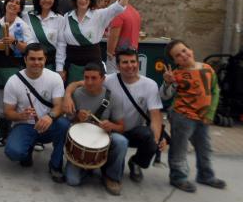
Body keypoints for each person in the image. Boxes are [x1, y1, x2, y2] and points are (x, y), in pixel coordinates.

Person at [64, 48, 166, 183]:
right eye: (125, 62)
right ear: (118, 66)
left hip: (129, 130)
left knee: (150, 140)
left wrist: (158, 138)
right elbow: (81, 83)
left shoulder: (150, 84)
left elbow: (155, 115)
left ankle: (130, 166)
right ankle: (95, 166)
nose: (130, 65)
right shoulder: (108, 80)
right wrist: (67, 96)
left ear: (137, 63)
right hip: (108, 130)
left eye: (133, 62)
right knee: (73, 181)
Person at [161, 39, 226, 193]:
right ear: (174, 61)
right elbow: (165, 96)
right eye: (177, 55)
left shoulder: (207, 68)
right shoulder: (177, 75)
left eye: (184, 50)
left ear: (190, 49)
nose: (183, 55)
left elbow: (215, 90)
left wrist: (211, 113)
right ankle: (178, 176)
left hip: (203, 117)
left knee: (205, 147)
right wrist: (167, 83)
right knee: (179, 148)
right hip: (182, 117)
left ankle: (206, 174)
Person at [3, 43, 70, 182]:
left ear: (45, 60)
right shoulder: (13, 81)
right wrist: (20, 115)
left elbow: (59, 106)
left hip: (48, 124)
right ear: (25, 60)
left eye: (40, 59)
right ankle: (27, 150)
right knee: (13, 152)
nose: (36, 63)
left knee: (64, 125)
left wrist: (49, 116)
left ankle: (55, 165)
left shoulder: (54, 78)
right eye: (32, 59)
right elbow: (8, 112)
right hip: (24, 125)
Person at [56, 0, 134, 83]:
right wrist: (59, 69)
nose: (83, 0)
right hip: (72, 68)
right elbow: (61, 45)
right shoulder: (66, 17)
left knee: (94, 98)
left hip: (94, 68)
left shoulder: (99, 15)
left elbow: (121, 5)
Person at [65, 63, 128, 195]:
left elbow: (121, 127)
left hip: (103, 138)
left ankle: (112, 177)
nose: (89, 82)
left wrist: (111, 126)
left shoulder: (113, 97)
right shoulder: (76, 94)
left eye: (94, 78)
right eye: (86, 77)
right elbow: (69, 121)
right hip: (81, 141)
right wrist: (77, 117)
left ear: (103, 79)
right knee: (72, 181)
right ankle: (90, 166)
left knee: (121, 141)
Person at [0, 0, 34, 147]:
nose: (13, 5)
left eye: (18, 3)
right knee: (0, 103)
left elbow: (29, 48)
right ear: (6, 3)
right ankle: (3, 135)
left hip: (14, 67)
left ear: (20, 8)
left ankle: (17, 135)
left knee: (14, 102)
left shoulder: (22, 25)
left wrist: (14, 42)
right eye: (11, 2)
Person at [105, 0, 141, 74]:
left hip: (119, 55)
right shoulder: (135, 12)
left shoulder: (118, 12)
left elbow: (114, 36)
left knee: (113, 83)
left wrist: (110, 53)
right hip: (133, 54)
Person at [27, 0, 63, 71]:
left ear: (54, 0)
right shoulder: (27, 17)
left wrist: (60, 69)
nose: (47, 0)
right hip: (31, 64)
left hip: (51, 65)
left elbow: (61, 46)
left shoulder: (60, 19)